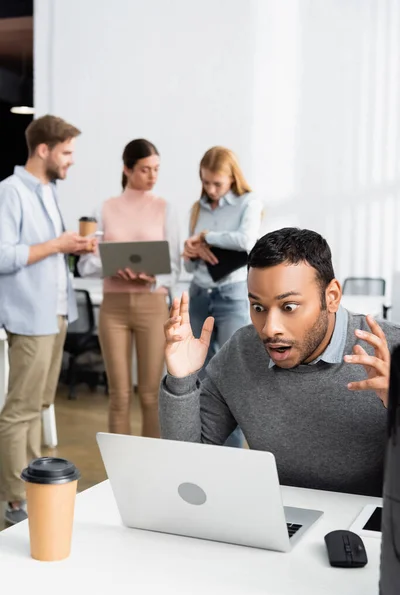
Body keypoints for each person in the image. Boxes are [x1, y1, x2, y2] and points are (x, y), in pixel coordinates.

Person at [160, 227, 400, 497]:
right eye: (258, 308)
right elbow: (187, 462)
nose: (269, 329)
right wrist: (180, 380)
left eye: (289, 307)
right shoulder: (241, 351)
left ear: (331, 297)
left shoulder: (391, 351)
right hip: (277, 520)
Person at [0, 115, 91, 525]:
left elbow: (46, 253)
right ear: (44, 150)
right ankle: (14, 500)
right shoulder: (10, 192)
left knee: (39, 405)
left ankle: (33, 484)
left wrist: (73, 247)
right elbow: (4, 256)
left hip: (56, 313)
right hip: (29, 315)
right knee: (19, 410)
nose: (71, 161)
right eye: (67, 152)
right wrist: (58, 243)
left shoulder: (48, 191)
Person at [79, 139, 180, 438]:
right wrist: (110, 266)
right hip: (114, 309)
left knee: (150, 395)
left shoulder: (166, 208)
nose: (152, 176)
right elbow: (85, 265)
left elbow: (174, 268)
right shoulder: (104, 208)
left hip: (152, 307)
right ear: (127, 169)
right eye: (145, 169)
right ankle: (118, 470)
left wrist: (153, 279)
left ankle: (152, 467)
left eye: (157, 169)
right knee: (119, 395)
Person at [182, 146, 263, 448]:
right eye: (205, 182)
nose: (211, 190)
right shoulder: (198, 207)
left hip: (231, 295)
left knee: (232, 374)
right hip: (200, 292)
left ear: (232, 177)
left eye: (217, 183)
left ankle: (232, 454)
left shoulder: (248, 202)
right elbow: (190, 265)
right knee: (197, 372)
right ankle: (202, 445)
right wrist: (190, 252)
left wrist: (205, 238)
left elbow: (247, 241)